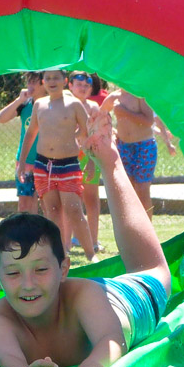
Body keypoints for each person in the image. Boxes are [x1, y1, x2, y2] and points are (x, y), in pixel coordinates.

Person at [0, 112, 171, 367]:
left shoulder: (83, 295)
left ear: (64, 269)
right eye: (13, 273)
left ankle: (110, 160)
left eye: (41, 269)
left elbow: (111, 339)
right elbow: (6, 358)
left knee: (153, 270)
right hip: (94, 301)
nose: (28, 284)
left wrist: (96, 362)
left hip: (127, 297)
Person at [16, 70, 98, 261]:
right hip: (43, 165)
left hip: (68, 165)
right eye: (48, 78)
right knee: (52, 211)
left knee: (74, 210)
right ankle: (60, 254)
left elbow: (88, 133)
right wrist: (22, 163)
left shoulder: (74, 104)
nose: (52, 81)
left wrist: (91, 161)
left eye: (56, 78)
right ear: (43, 82)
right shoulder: (40, 104)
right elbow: (30, 134)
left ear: (65, 81)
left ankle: (90, 254)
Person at [99, 88, 158, 216]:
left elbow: (149, 121)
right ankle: (132, 225)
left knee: (142, 190)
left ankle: (147, 226)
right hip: (123, 146)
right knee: (127, 190)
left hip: (144, 146)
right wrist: (111, 131)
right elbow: (100, 115)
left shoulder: (139, 94)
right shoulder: (114, 97)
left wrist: (125, 112)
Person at [0, 72, 46, 213]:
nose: (30, 86)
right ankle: (26, 228)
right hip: (26, 161)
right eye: (28, 82)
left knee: (47, 204)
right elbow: (1, 118)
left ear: (44, 84)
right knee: (25, 205)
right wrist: (19, 100)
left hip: (46, 161)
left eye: (34, 82)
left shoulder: (51, 105)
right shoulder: (25, 104)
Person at [67, 70, 104, 253]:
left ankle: (93, 240)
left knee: (91, 198)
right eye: (79, 85)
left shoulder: (93, 108)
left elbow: (96, 135)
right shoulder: (64, 106)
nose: (83, 88)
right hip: (68, 157)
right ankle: (69, 240)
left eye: (86, 86)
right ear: (70, 86)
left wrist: (91, 160)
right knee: (70, 199)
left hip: (88, 157)